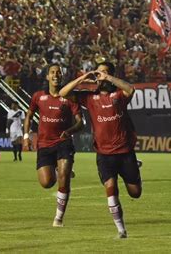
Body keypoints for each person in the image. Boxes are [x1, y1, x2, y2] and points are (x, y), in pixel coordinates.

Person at [59, 61, 142, 239]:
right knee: (111, 189)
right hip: (104, 155)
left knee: (136, 193)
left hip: (125, 152)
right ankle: (121, 230)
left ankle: (136, 166)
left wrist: (109, 77)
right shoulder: (89, 97)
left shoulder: (119, 95)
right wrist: (83, 78)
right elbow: (62, 93)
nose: (100, 76)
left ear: (110, 75)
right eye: (99, 73)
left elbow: (131, 89)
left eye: (104, 72)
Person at [23, 63, 83, 228]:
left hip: (63, 143)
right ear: (47, 76)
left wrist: (70, 131)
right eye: (52, 72)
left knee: (63, 181)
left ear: (62, 77)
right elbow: (28, 115)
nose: (56, 75)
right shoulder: (38, 97)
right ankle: (59, 170)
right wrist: (26, 136)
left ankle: (58, 218)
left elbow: (81, 122)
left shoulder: (69, 97)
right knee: (46, 183)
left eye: (58, 73)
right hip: (44, 145)